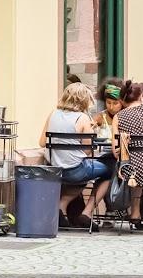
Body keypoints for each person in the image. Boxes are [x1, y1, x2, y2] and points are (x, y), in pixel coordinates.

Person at [41, 80, 111, 229]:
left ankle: (61, 208)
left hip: (54, 169)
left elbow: (42, 143)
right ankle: (86, 212)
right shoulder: (82, 118)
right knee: (109, 172)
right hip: (75, 170)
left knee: (83, 177)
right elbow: (87, 151)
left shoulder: (53, 114)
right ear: (84, 100)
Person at [112, 80, 143, 228]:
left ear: (122, 100)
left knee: (135, 163)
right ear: (142, 96)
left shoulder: (119, 117)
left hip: (131, 172)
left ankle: (135, 212)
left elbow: (115, 151)